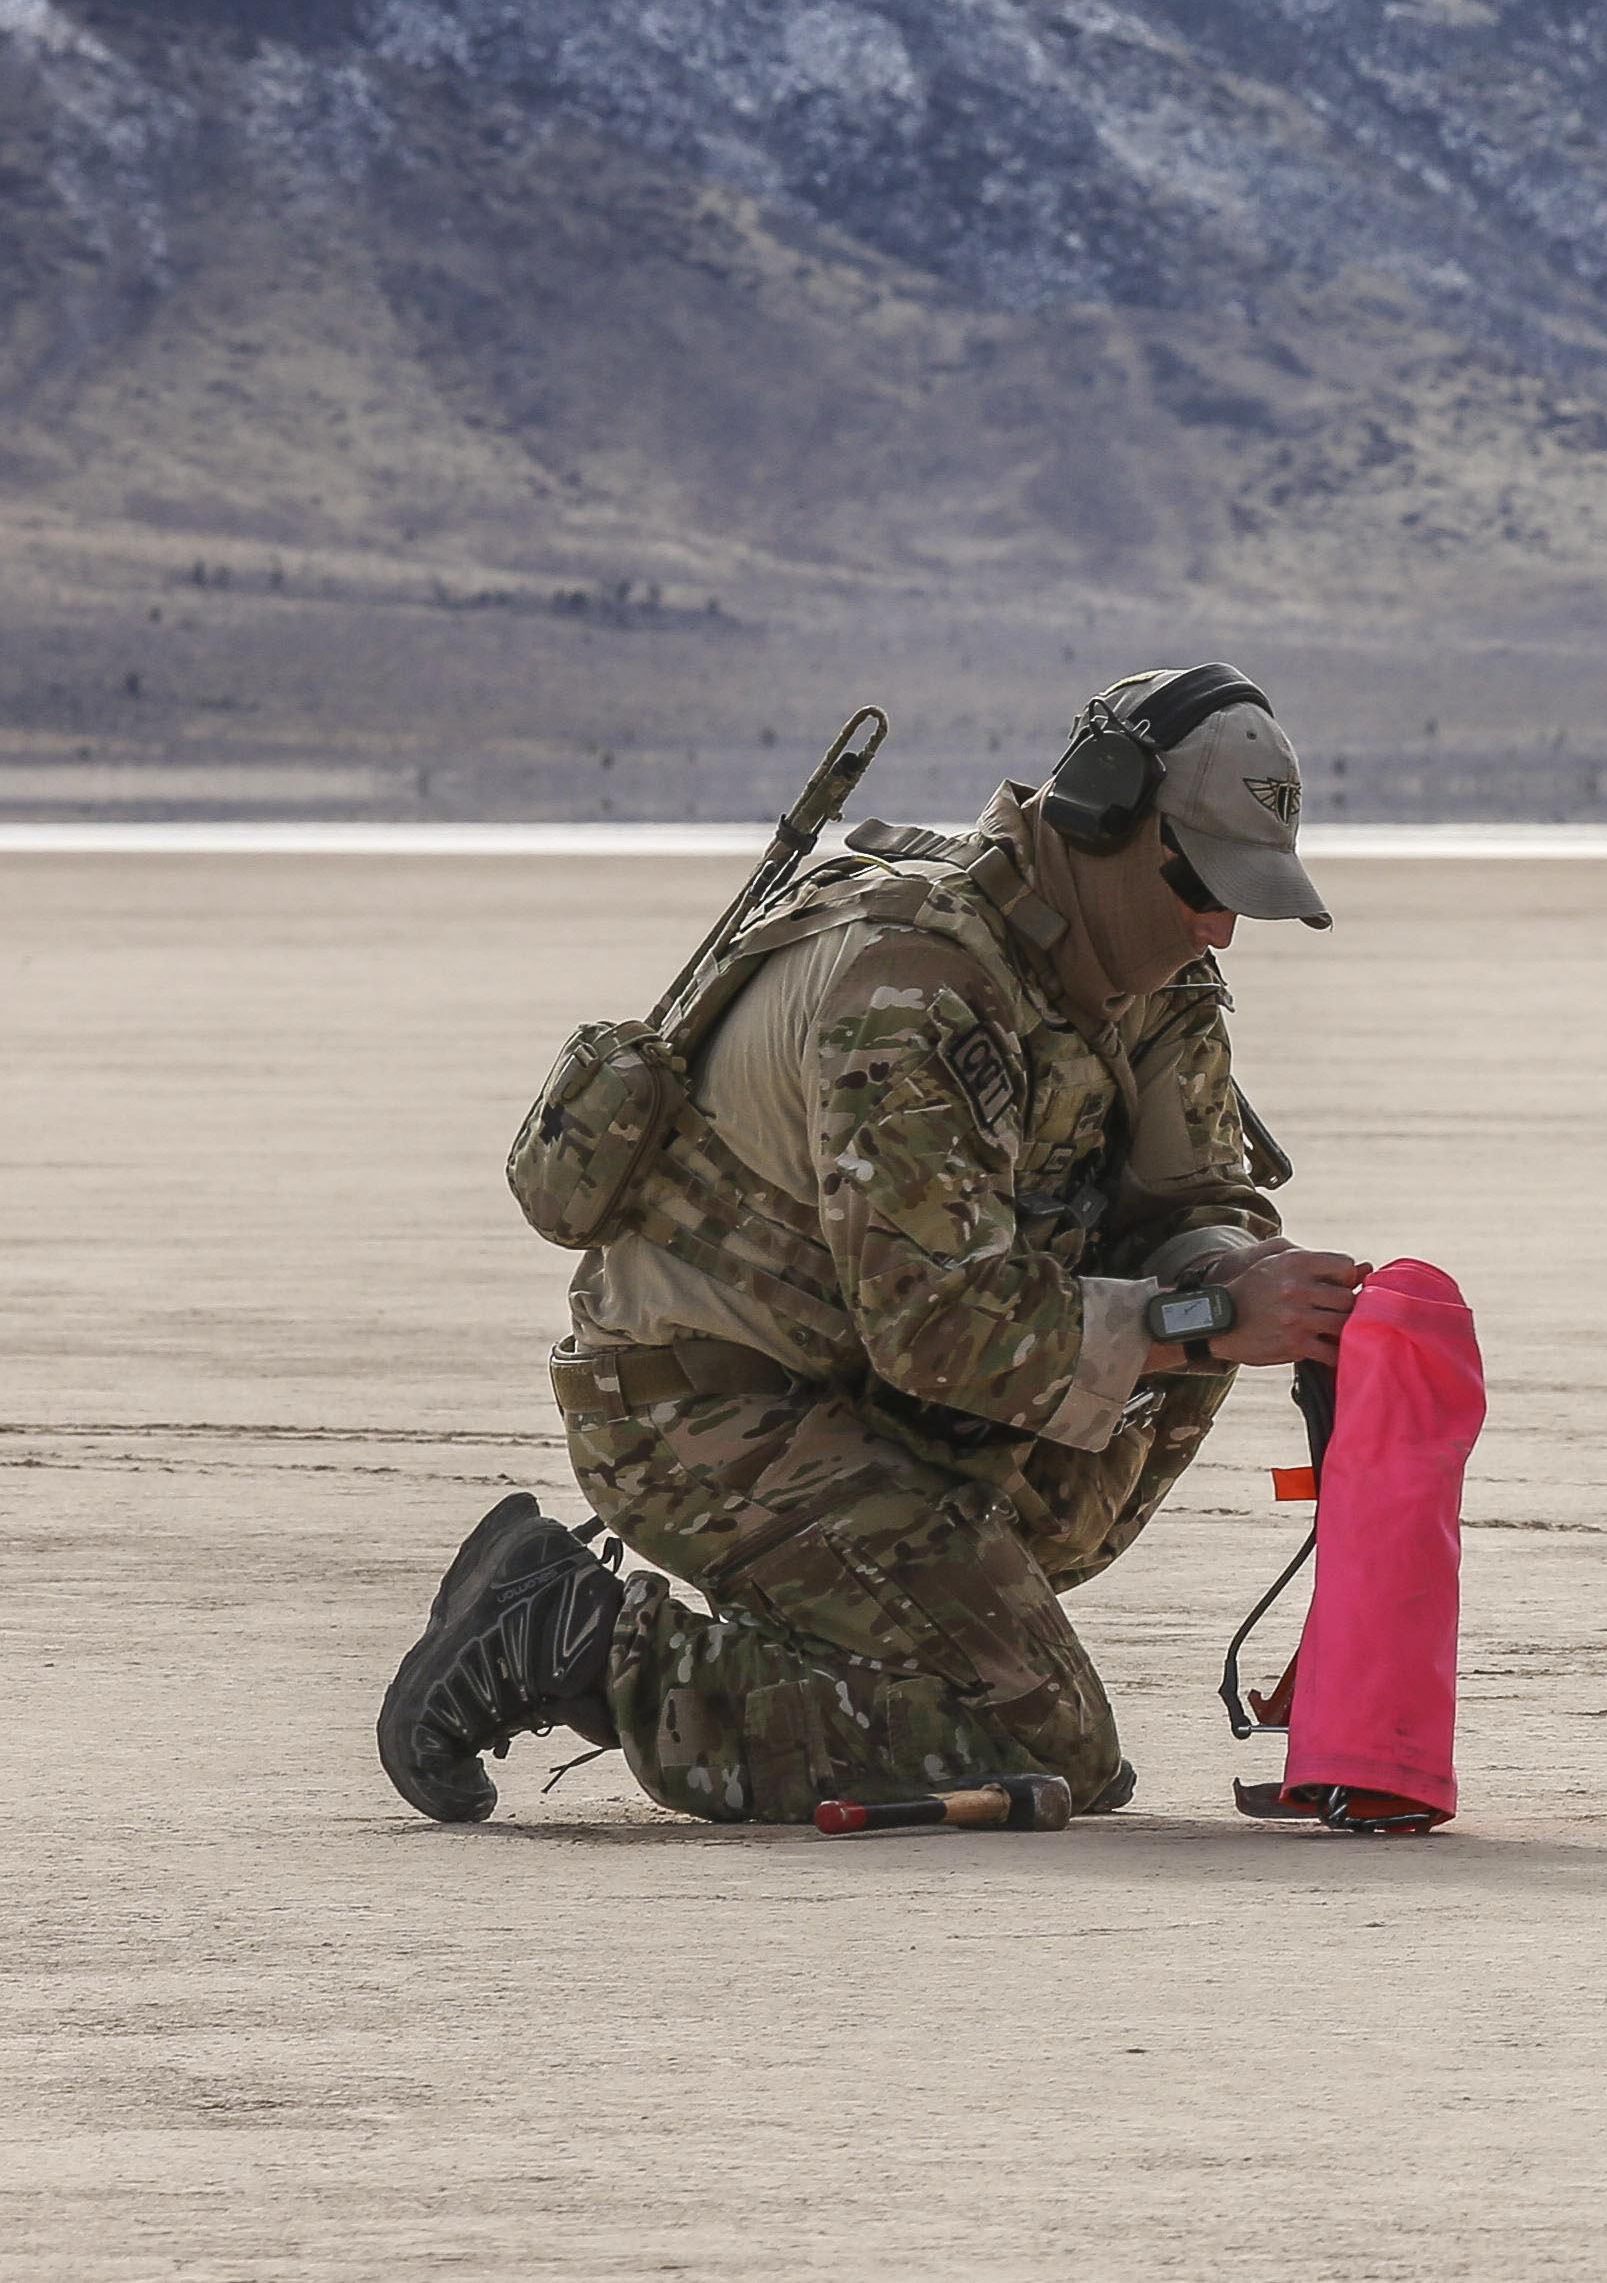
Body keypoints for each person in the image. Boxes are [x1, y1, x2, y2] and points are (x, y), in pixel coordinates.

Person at [378, 666, 1367, 1825]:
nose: (1221, 925)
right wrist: (1195, 1321)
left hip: (865, 1397)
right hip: (701, 1408)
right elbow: (935, 1325)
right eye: (1201, 882)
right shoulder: (915, 981)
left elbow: (1198, 1188)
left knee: (1181, 1345)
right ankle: (580, 1642)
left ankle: (890, 1609)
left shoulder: (1139, 974)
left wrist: (1229, 1272)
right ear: (1105, 818)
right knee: (1039, 1750)